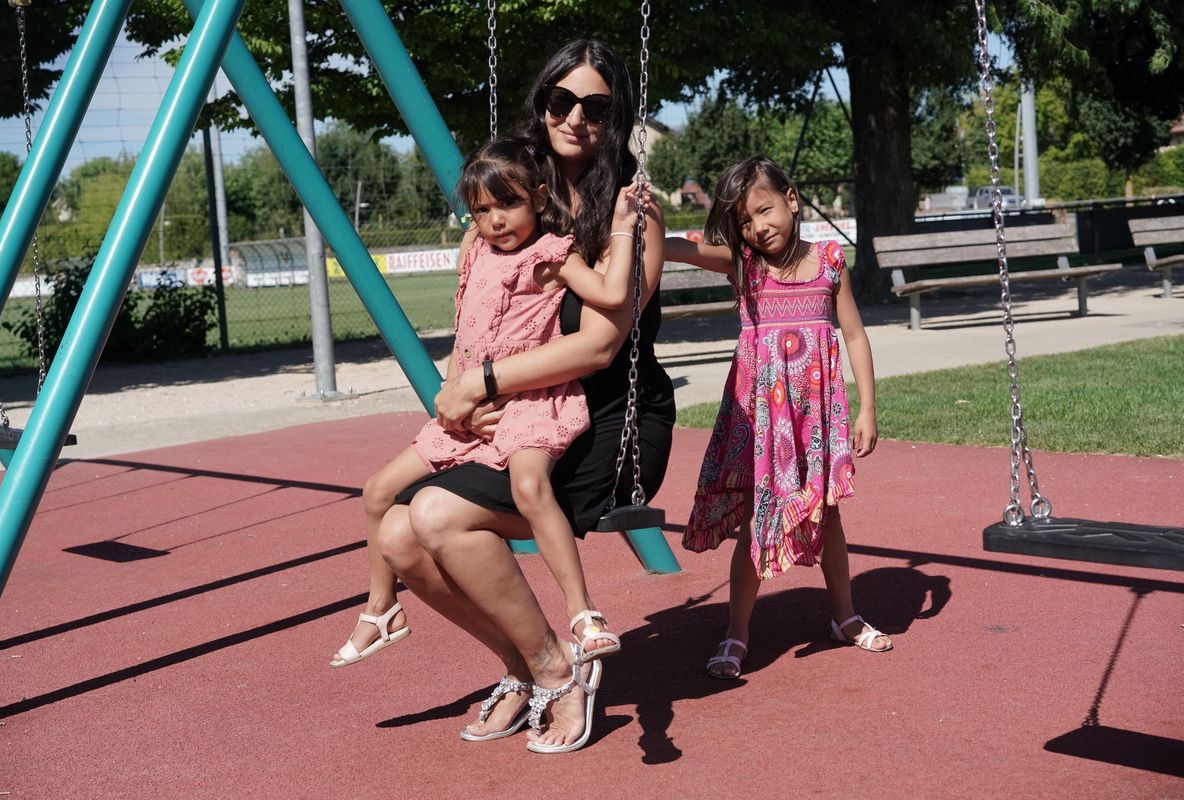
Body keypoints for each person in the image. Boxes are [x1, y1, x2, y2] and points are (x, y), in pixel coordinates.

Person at [372, 39, 674, 753]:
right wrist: (466, 385)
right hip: (522, 415)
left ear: (616, 117)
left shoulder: (635, 216)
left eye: (596, 106)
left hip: (607, 420)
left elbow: (601, 344)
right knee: (395, 534)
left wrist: (481, 384)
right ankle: (521, 664)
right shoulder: (510, 204)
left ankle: (559, 666)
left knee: (439, 515)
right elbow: (477, 316)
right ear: (541, 106)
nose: (575, 117)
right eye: (560, 100)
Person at [328, 135, 640, 670]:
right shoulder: (475, 251)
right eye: (482, 210)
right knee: (378, 491)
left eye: (509, 205)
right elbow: (464, 335)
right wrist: (452, 398)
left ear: (539, 200)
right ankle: (381, 608)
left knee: (528, 485)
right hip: (470, 410)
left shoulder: (550, 254)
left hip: (529, 404)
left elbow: (611, 297)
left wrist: (625, 227)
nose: (496, 220)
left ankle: (582, 613)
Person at [664, 154, 891, 681]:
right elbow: (680, 248)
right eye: (744, 220)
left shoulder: (831, 261)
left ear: (791, 199)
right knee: (754, 518)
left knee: (828, 513)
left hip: (814, 416)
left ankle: (845, 616)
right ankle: (737, 632)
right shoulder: (744, 265)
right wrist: (640, 224)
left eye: (764, 210)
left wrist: (868, 407)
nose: (757, 227)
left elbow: (854, 334)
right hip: (761, 417)